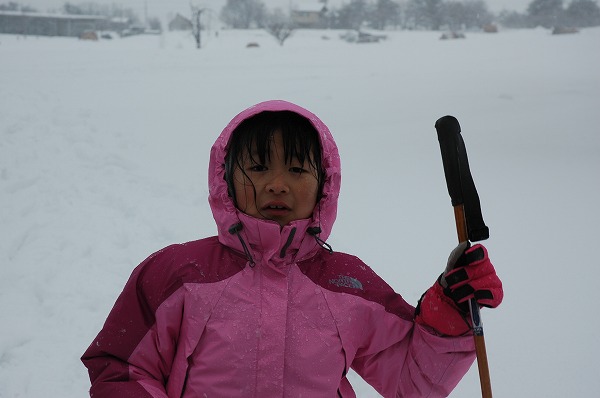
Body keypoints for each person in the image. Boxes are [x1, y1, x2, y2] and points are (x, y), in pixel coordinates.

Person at [81, 100, 503, 397]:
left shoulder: (346, 281)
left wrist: (449, 311)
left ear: (325, 184)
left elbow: (411, 383)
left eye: (298, 169)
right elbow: (120, 367)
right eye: (259, 167)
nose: (277, 184)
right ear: (225, 178)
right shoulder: (177, 273)